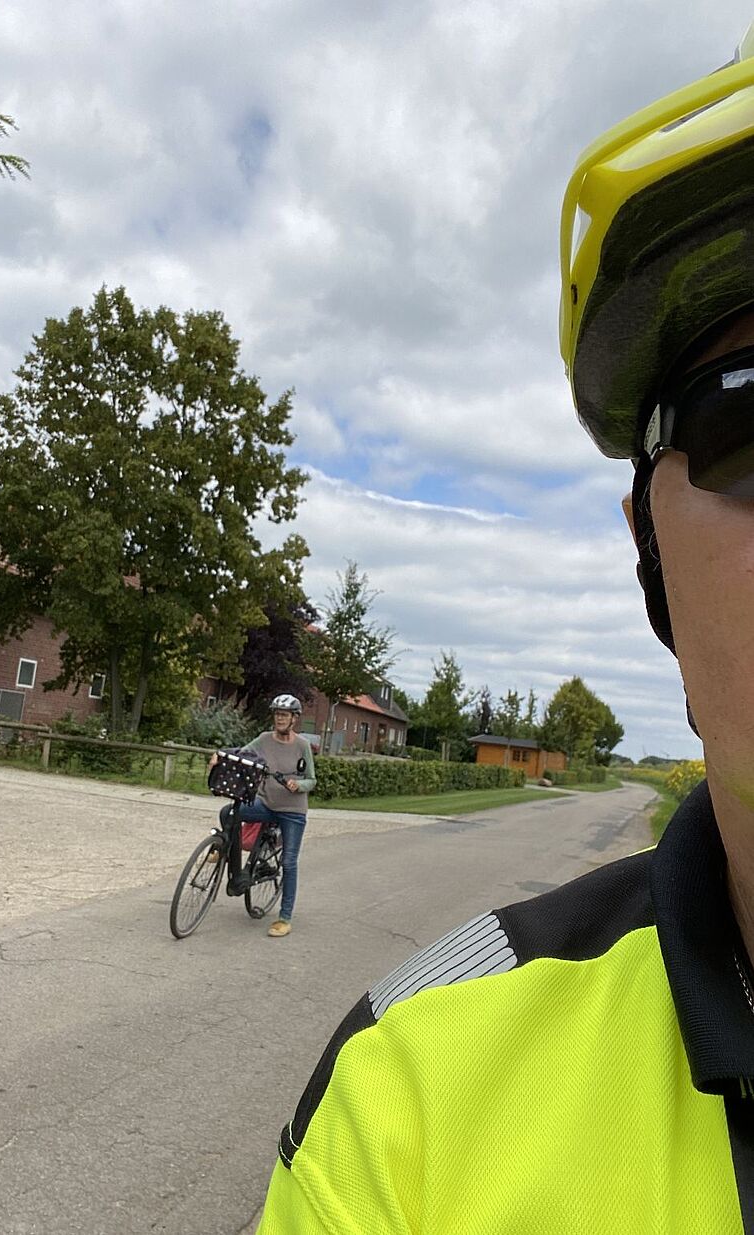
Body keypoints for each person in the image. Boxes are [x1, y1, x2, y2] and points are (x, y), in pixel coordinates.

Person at [257, 24, 754, 1233]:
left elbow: (311, 768)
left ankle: (281, 881)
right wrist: (255, 771)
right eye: (751, 427)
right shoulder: (412, 1092)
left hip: (298, 803)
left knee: (288, 827)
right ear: (647, 555)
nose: (286, 717)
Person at [213, 694, 316, 937]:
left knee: (289, 863)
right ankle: (225, 852)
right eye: (277, 714)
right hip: (266, 804)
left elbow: (311, 779)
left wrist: (298, 785)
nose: (280, 719)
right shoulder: (263, 739)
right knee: (229, 812)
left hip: (292, 812)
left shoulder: (302, 746)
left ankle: (285, 918)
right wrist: (219, 755)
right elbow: (241, 753)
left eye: (285, 715)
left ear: (294, 719)